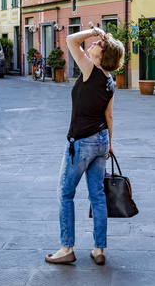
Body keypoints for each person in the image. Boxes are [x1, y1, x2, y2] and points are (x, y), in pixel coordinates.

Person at [45, 24, 124, 266]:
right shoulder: (110, 81)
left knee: (65, 193)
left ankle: (66, 248)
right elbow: (109, 116)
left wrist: (92, 32)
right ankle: (99, 250)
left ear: (103, 56)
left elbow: (70, 40)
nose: (91, 45)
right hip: (101, 141)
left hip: (82, 142)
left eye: (98, 45)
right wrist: (109, 144)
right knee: (97, 196)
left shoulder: (91, 69)